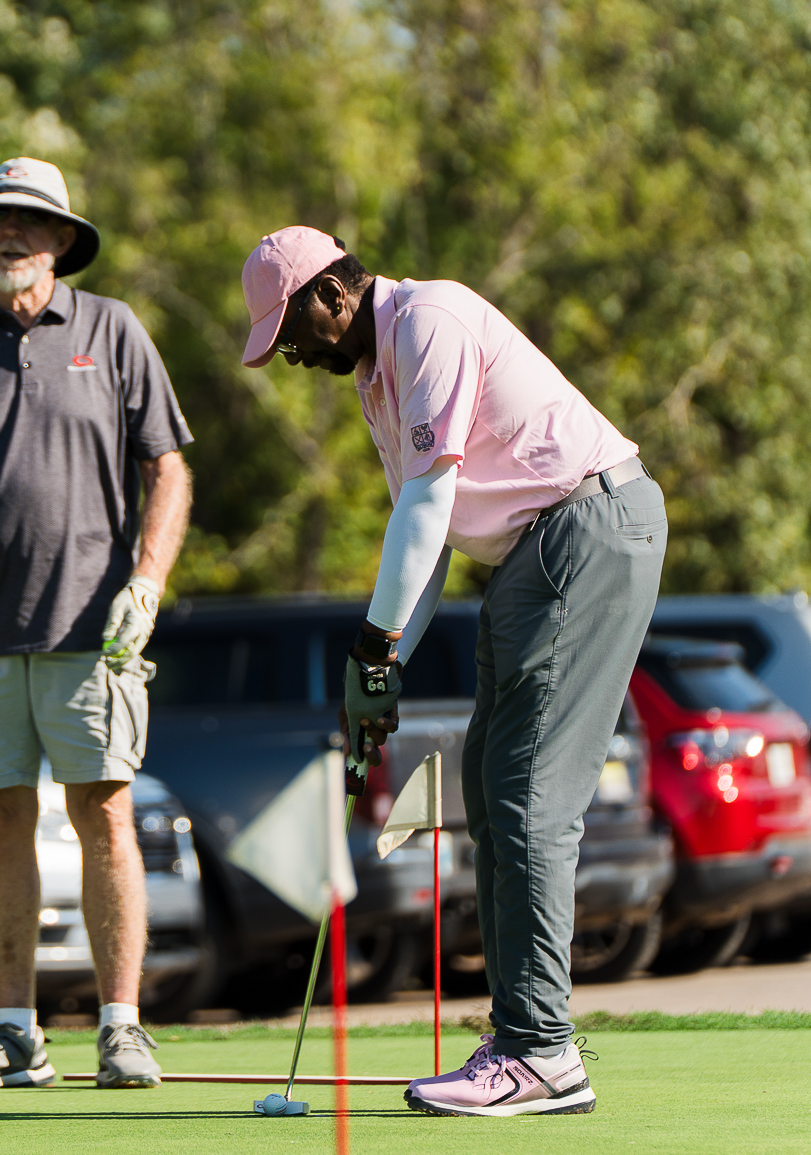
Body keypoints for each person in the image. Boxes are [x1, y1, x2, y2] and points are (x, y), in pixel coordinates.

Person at [238, 226, 666, 1117]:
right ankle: (521, 1039)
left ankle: (541, 1053)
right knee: (490, 782)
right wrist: (384, 663)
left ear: (333, 295)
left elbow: (430, 504)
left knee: (528, 792)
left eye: (291, 333)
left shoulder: (428, 319)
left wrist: (370, 649)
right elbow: (422, 536)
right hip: (533, 551)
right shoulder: (378, 378)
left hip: (581, 526)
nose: (292, 356)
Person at [0, 158, 193, 1090]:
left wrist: (148, 580)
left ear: (61, 240)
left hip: (95, 631)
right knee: (1, 820)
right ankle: (15, 1033)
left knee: (104, 812)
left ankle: (121, 1027)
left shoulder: (113, 329)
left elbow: (168, 468)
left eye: (30, 221)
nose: (10, 233)